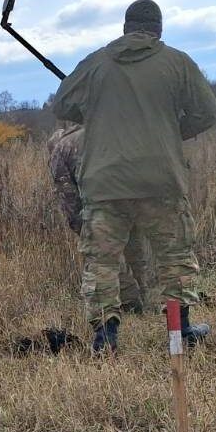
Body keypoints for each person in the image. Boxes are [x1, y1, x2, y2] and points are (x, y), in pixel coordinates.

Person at [50, 0, 216, 354]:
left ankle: (105, 340)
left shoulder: (95, 63)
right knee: (174, 259)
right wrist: (172, 133)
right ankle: (179, 334)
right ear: (158, 28)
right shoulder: (177, 63)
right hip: (161, 179)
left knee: (103, 263)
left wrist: (100, 116)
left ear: (126, 27)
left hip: (104, 181)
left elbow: (62, 105)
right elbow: (206, 112)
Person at [47, 123, 149, 315]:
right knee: (134, 248)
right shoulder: (103, 129)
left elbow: (68, 197)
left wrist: (82, 228)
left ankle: (131, 302)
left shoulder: (61, 151)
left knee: (107, 255)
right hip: (134, 196)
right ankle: (145, 296)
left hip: (102, 207)